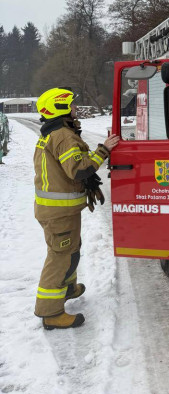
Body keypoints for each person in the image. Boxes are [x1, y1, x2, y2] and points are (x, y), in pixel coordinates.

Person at [34, 87, 119, 330]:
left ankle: (68, 289)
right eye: (71, 105)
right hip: (58, 213)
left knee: (71, 250)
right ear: (61, 108)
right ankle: (50, 313)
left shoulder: (55, 133)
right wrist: (103, 150)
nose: (75, 108)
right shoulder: (63, 135)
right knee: (59, 257)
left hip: (60, 211)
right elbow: (80, 170)